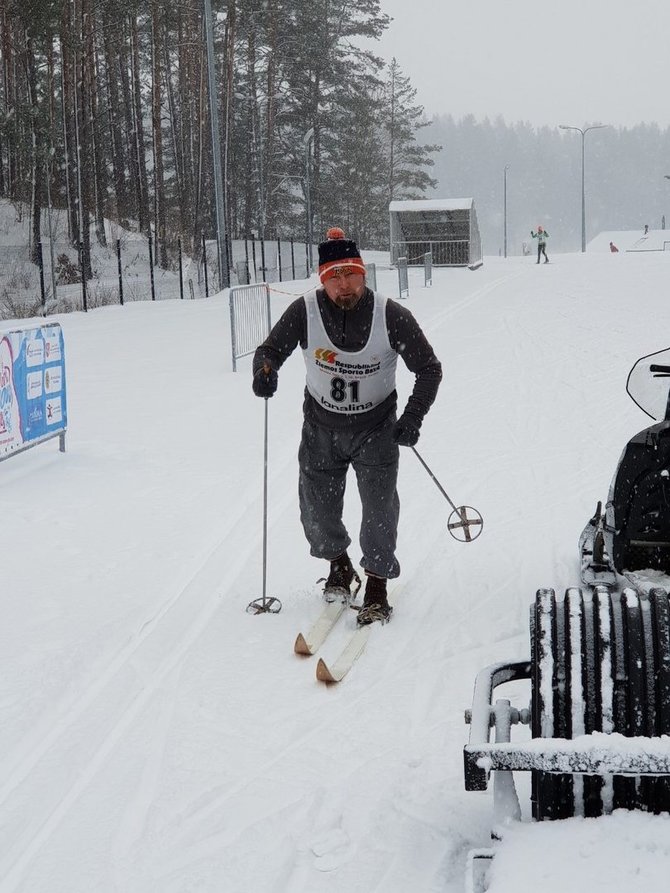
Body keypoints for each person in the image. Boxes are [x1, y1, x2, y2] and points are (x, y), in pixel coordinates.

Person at [252, 228, 442, 625]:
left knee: (378, 509)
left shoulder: (390, 315)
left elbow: (428, 368)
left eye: (350, 275)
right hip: (321, 425)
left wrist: (412, 418)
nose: (343, 285)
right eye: (333, 277)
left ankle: (376, 586)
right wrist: (264, 370)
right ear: (323, 279)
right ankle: (339, 564)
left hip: (376, 427)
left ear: (363, 274)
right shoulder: (304, 311)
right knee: (317, 513)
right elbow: (270, 349)